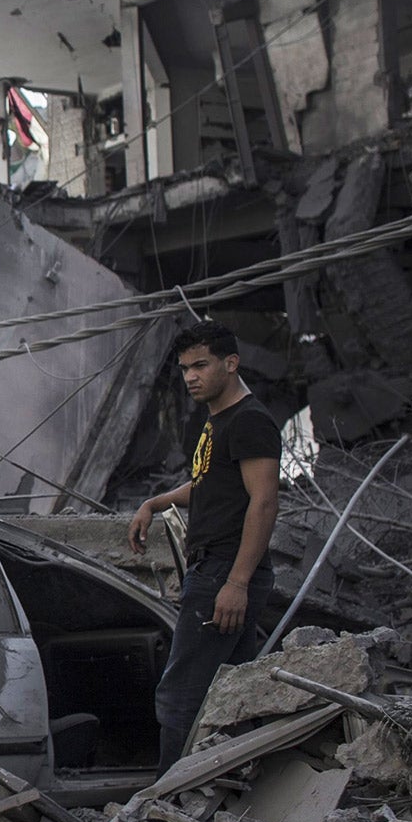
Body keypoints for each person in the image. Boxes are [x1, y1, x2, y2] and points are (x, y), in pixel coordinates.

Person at [129, 320, 283, 769]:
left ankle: (166, 800)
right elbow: (207, 486)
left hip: (223, 571)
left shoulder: (251, 421)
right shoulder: (218, 422)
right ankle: (231, 792)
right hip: (216, 570)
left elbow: (264, 503)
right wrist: (155, 503)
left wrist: (236, 582)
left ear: (231, 364)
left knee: (180, 695)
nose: (190, 377)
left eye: (201, 365)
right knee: (234, 691)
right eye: (184, 369)